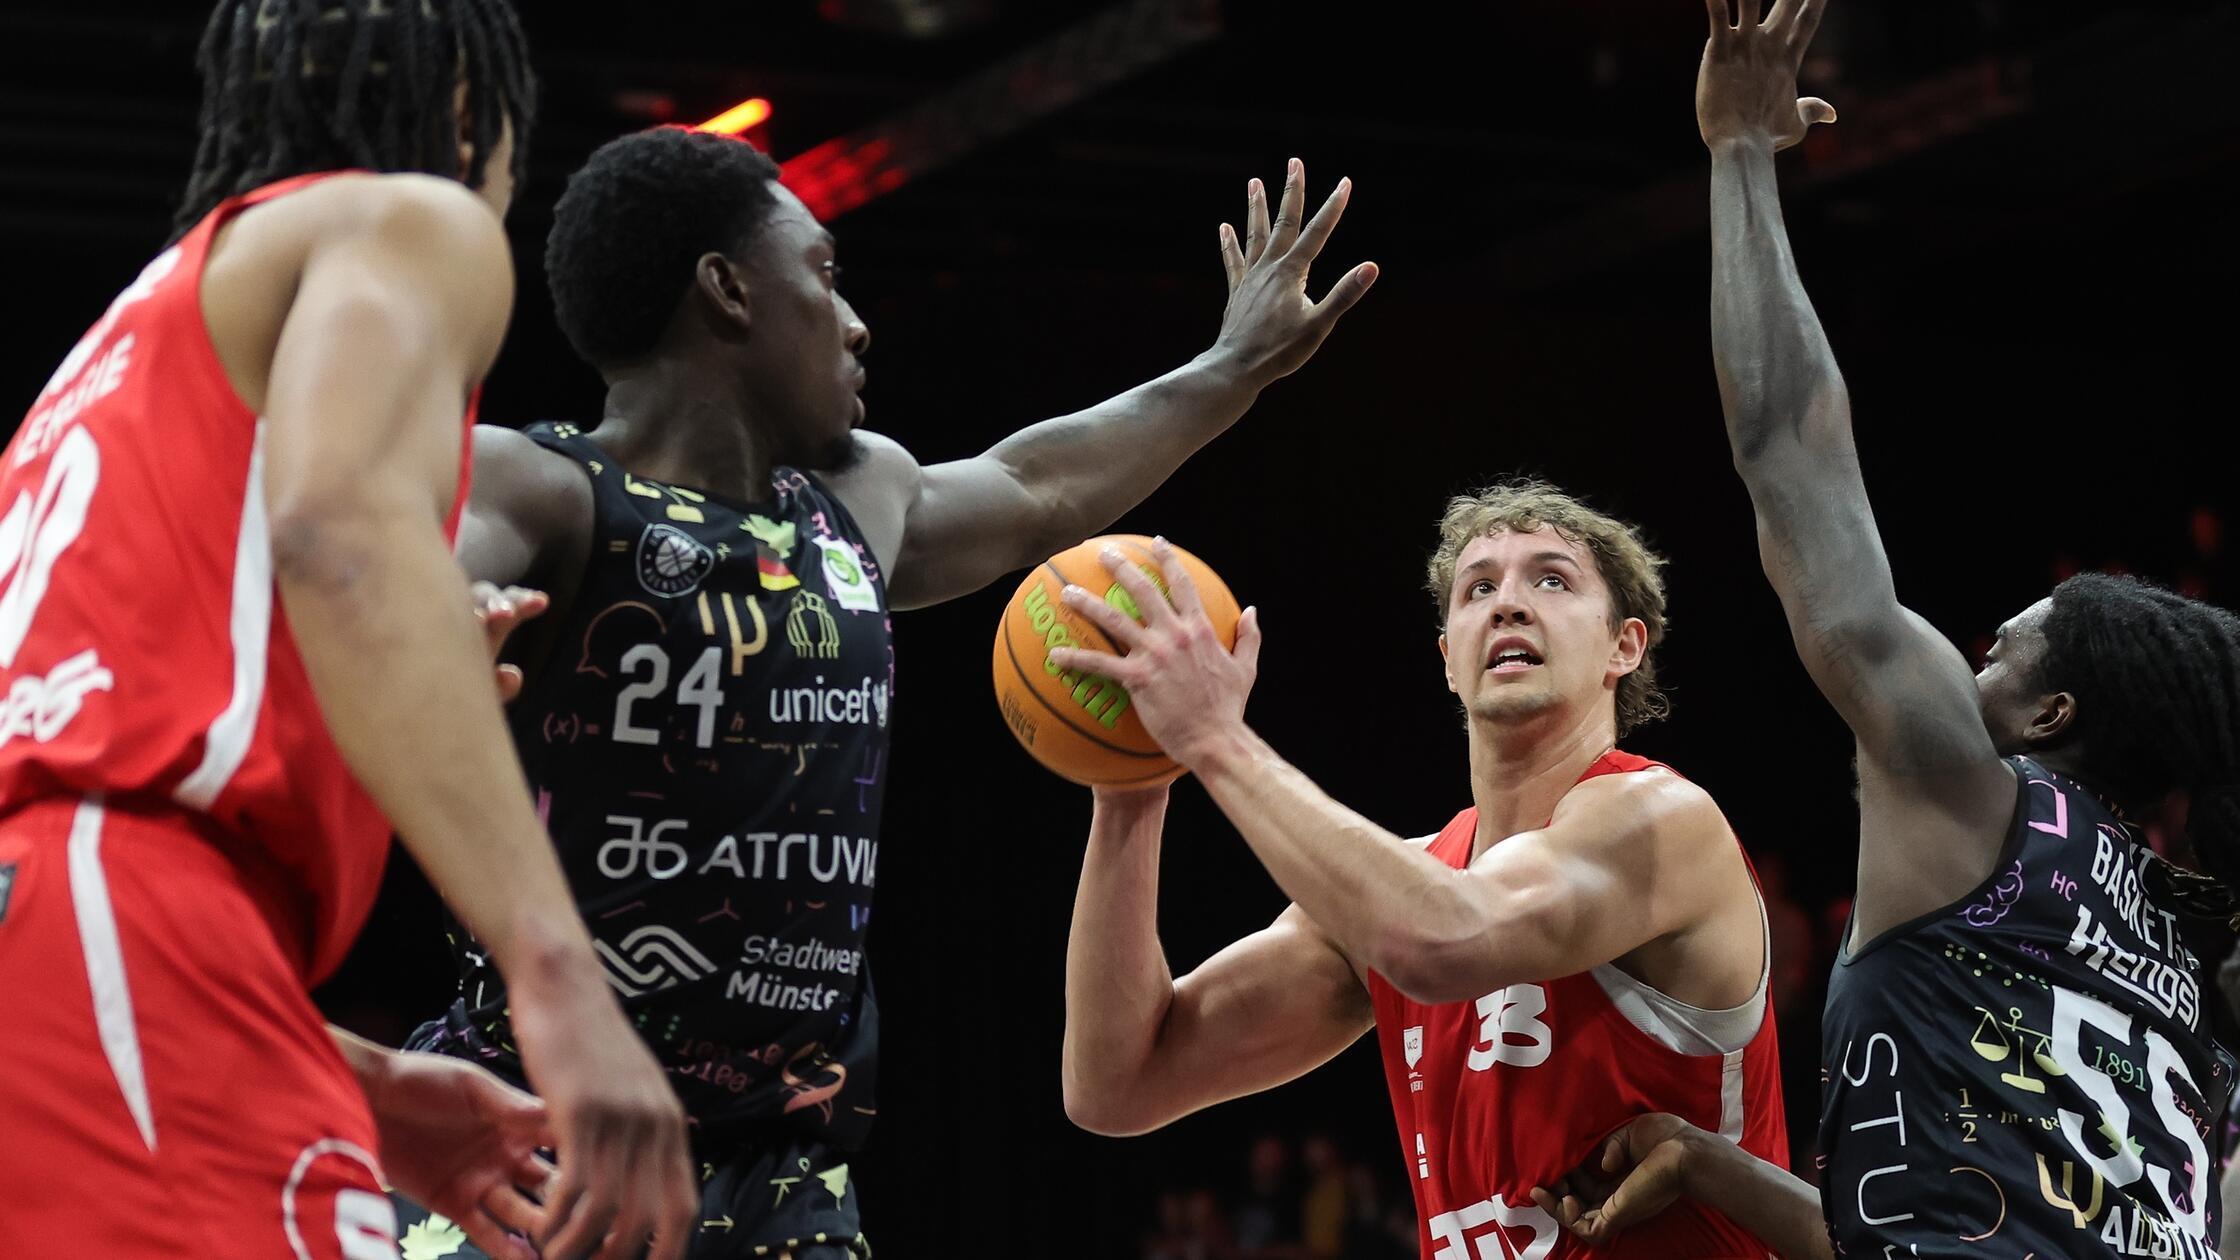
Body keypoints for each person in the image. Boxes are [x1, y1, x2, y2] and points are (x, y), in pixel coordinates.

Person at [389, 127, 1376, 1259]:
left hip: (781, 1175)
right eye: (820, 274)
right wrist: (434, 615)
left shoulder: (853, 504)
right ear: (725, 291)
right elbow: (396, 573)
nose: (855, 322)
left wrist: (1234, 363)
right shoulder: (547, 488)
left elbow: (1035, 484)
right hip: (532, 1134)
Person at [1528, 3, 2240, 1257]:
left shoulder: (1976, 797)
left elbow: (1788, 453)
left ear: (2048, 717)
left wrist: (1738, 158)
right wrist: (1708, 1163)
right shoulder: (2187, 983)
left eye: (1996, 653)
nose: (1963, 658)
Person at [0, 3, 697, 1257]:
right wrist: (562, 984)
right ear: (476, 118)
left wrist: (372, 1088)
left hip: (76, 958)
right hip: (130, 933)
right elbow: (338, 534)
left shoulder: (104, 365)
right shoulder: (410, 221)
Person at [1055, 485, 1788, 1259]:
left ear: (1624, 646)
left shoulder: (1663, 821)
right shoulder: (1399, 890)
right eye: (1479, 588)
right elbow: (1118, 1084)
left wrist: (1211, 737)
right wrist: (1132, 784)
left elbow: (1443, 942)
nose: (1508, 605)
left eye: (1551, 579)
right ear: (1447, 660)